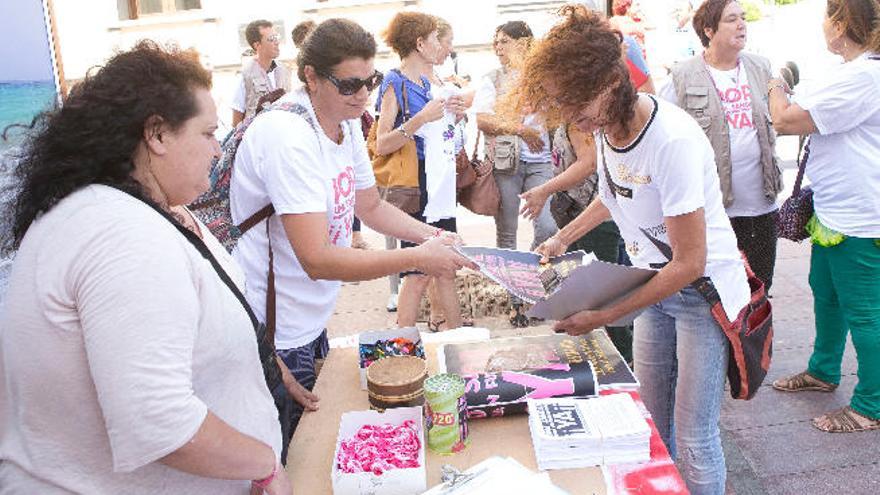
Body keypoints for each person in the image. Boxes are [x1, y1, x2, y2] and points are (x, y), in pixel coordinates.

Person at [0, 42, 291, 494]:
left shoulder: (126, 212)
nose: (217, 151)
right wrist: (264, 464)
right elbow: (157, 419)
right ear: (156, 135)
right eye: (207, 133)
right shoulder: (120, 232)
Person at [513, 6, 750, 492]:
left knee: (696, 433)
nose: (572, 118)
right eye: (563, 104)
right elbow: (611, 194)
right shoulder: (606, 131)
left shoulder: (670, 139)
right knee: (650, 418)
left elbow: (690, 262)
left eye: (577, 103)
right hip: (651, 285)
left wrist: (604, 316)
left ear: (612, 83)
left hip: (701, 295)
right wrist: (561, 237)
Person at [230, 18, 473, 437]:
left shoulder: (343, 121)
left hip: (308, 318)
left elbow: (371, 206)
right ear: (311, 76)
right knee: (289, 452)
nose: (363, 95)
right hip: (276, 331)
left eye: (370, 81)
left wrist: (433, 237)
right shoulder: (288, 135)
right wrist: (419, 257)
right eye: (349, 85)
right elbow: (318, 259)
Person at [768, 0, 880, 433]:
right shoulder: (855, 72)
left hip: (860, 216)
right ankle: (823, 369)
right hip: (837, 212)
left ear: (839, 23)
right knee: (826, 293)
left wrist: (775, 82)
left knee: (866, 311)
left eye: (826, 17)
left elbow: (785, 119)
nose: (822, 27)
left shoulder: (865, 76)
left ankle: (871, 404)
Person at [659, 0, 782, 293]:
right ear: (709, 30)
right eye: (731, 20)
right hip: (714, 211)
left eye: (742, 18)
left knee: (760, 291)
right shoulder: (682, 76)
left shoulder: (761, 67)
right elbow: (660, 128)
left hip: (761, 205)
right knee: (720, 293)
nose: (741, 24)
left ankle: (756, 340)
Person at [374, 12, 468, 331]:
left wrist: (452, 118)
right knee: (417, 272)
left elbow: (441, 136)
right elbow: (382, 143)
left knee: (446, 266)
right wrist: (421, 119)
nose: (440, 45)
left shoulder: (428, 83)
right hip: (416, 187)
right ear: (420, 43)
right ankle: (401, 349)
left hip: (439, 185)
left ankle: (457, 341)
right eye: (434, 38)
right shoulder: (394, 82)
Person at [474, 20, 558, 327]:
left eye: (504, 41)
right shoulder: (493, 79)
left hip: (542, 162)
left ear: (524, 43)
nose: (498, 48)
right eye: (495, 42)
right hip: (507, 164)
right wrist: (520, 129)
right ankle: (515, 302)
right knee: (507, 232)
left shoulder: (544, 77)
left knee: (548, 227)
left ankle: (534, 289)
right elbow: (482, 120)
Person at [231, 20, 292, 127]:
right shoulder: (245, 75)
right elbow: (237, 121)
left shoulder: (284, 70)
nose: (276, 42)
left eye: (276, 37)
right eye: (271, 39)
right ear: (257, 45)